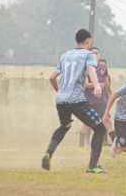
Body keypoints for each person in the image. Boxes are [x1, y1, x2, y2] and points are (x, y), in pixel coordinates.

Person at [41, 29, 107, 173]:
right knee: (100, 129)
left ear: (76, 40)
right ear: (88, 41)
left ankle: (48, 153)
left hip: (61, 100)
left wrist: (60, 92)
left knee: (65, 125)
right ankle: (93, 166)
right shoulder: (88, 54)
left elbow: (52, 77)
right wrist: (96, 86)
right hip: (77, 100)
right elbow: (91, 71)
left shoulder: (65, 55)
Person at [78, 48, 116, 152]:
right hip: (89, 102)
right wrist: (97, 85)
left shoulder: (103, 68)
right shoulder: (85, 68)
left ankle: (116, 145)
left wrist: (110, 95)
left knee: (108, 122)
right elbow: (85, 84)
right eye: (92, 53)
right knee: (86, 126)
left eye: (96, 53)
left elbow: (106, 84)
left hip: (101, 102)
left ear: (99, 55)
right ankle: (81, 146)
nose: (95, 54)